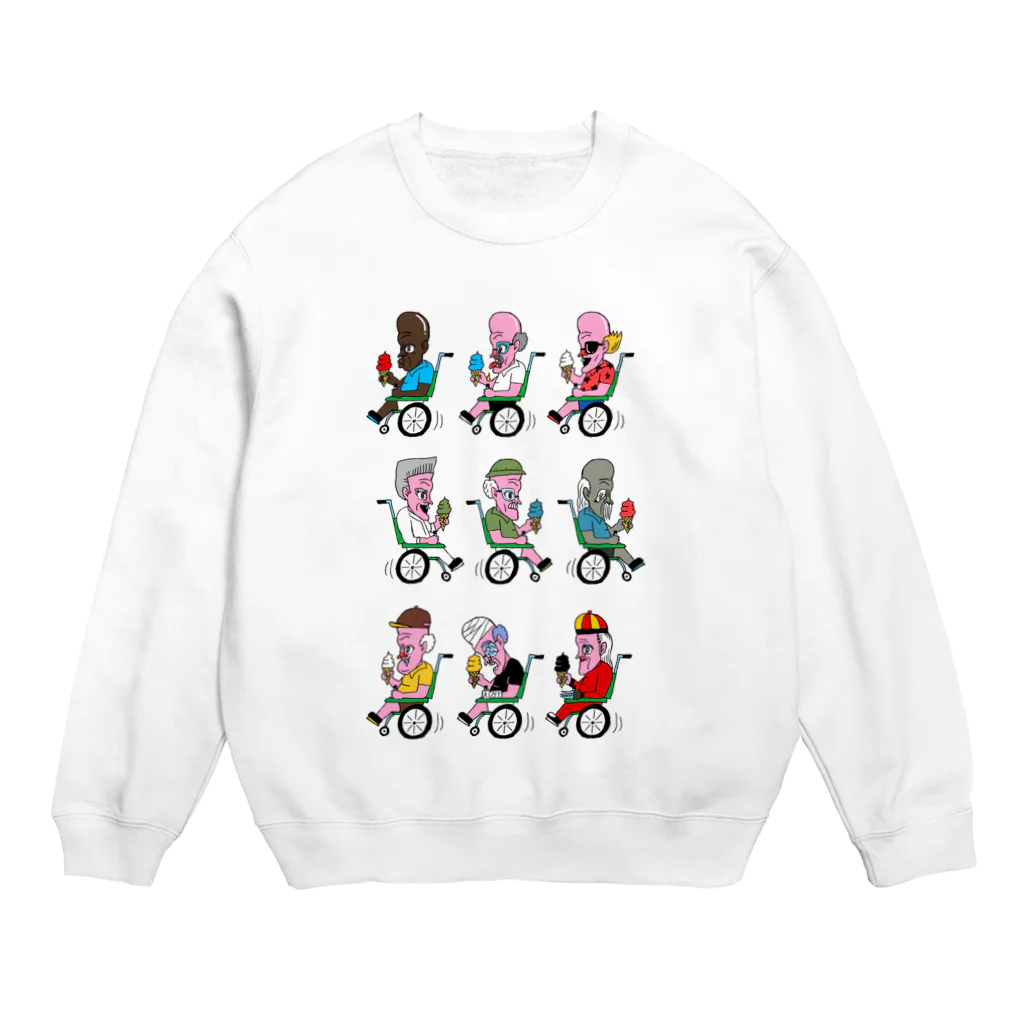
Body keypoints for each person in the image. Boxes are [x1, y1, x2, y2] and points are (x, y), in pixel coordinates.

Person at [481, 458, 552, 573]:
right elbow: (496, 539)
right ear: (494, 493)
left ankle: (541, 565)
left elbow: (517, 531)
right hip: (507, 547)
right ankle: (541, 565)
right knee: (527, 550)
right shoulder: (493, 516)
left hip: (514, 545)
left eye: (517, 495)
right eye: (509, 494)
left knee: (528, 550)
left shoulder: (506, 518)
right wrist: (517, 541)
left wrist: (527, 527)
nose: (517, 501)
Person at [367, 606, 435, 727]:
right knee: (390, 704)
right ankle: (377, 719)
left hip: (411, 701)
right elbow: (401, 685)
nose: (401, 655)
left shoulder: (425, 670)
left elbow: (421, 693)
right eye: (401, 648)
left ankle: (377, 719)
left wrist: (402, 695)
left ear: (423, 647)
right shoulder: (411, 671)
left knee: (390, 705)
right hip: (403, 698)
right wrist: (390, 679)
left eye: (408, 649)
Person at [392, 456, 463, 572]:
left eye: (429, 494)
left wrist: (437, 524)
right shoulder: (404, 515)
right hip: (417, 548)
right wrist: (427, 541)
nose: (429, 501)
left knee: (439, 548)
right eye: (422, 494)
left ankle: (452, 563)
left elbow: (429, 528)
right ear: (406, 493)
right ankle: (452, 564)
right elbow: (409, 539)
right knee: (439, 550)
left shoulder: (419, 514)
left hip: (426, 546)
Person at [548, 311, 621, 424]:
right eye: (582, 348)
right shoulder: (589, 368)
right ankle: (558, 417)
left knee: (571, 404)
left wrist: (582, 394)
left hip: (593, 400)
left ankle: (558, 417)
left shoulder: (607, 368)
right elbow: (579, 380)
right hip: (584, 397)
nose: (584, 354)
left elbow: (602, 391)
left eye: (590, 347)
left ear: (604, 346)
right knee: (570, 403)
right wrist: (570, 375)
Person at [460, 311, 528, 426]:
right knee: (482, 402)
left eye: (501, 348)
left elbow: (514, 391)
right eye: (494, 348)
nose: (494, 354)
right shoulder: (504, 370)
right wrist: (484, 381)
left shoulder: (518, 368)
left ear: (516, 346)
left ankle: (470, 418)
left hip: (505, 400)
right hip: (496, 397)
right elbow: (494, 384)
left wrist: (494, 394)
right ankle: (469, 418)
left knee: (483, 403)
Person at [575, 457, 644, 571]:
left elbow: (608, 532)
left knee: (620, 549)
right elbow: (589, 539)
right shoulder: (585, 517)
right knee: (620, 551)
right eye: (602, 495)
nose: (608, 501)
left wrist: (618, 527)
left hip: (605, 545)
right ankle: (633, 565)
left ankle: (634, 565)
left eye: (609, 495)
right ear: (587, 493)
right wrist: (608, 541)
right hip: (598, 547)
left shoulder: (597, 517)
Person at [546, 611, 614, 726]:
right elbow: (582, 686)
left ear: (602, 648)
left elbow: (599, 693)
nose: (579, 655)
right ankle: (558, 719)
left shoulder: (604, 670)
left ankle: (557, 719)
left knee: (569, 705)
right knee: (568, 703)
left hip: (591, 702)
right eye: (579, 648)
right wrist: (570, 682)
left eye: (587, 649)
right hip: (584, 699)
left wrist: (582, 695)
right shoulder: (592, 671)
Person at [367, 311, 434, 424]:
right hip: (403, 396)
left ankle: (378, 417)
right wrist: (391, 380)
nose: (401, 354)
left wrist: (402, 394)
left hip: (411, 399)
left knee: (391, 403)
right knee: (390, 402)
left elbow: (422, 391)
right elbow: (401, 384)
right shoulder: (413, 370)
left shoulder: (426, 369)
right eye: (401, 348)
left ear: (423, 347)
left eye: (408, 348)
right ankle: (377, 417)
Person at [457, 616, 525, 726]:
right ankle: (468, 718)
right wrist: (484, 683)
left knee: (482, 703)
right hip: (494, 701)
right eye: (483, 656)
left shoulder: (514, 667)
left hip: (502, 703)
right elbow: (492, 686)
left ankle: (469, 718)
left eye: (489, 650)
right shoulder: (501, 672)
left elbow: (512, 693)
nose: (486, 661)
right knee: (481, 703)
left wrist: (490, 695)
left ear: (500, 641)